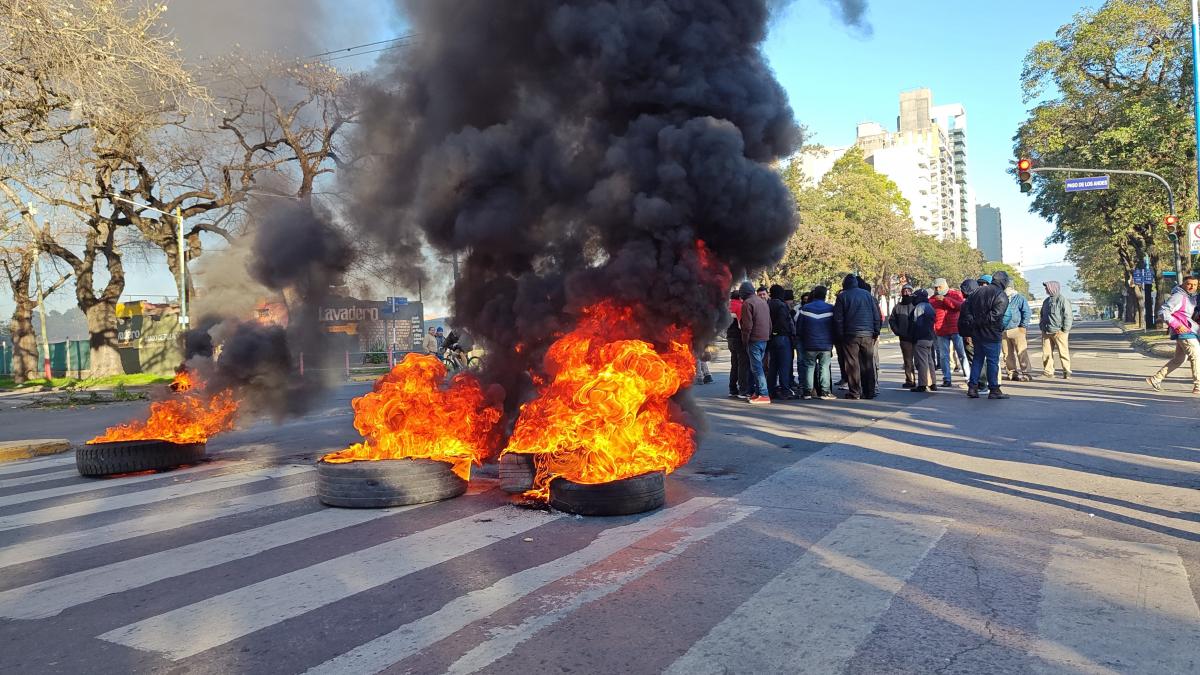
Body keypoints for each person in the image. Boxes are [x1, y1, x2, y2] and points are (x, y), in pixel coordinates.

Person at [1147, 275, 1200, 393]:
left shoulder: (1190, 297)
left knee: (1179, 359)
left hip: (1188, 331)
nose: (1192, 287)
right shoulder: (1179, 296)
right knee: (1196, 356)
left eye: (1195, 285)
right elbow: (1163, 311)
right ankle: (1198, 385)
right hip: (1185, 332)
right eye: (1189, 284)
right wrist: (1177, 325)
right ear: (1183, 284)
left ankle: (1156, 379)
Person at [963, 272, 1011, 399]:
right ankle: (994, 389)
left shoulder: (977, 292)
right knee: (992, 362)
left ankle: (973, 387)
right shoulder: (1001, 295)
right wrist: (995, 327)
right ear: (1003, 282)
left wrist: (974, 324)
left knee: (977, 360)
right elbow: (996, 316)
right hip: (991, 333)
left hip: (977, 333)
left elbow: (967, 310)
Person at [832, 274, 881, 400]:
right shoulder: (867, 295)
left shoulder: (842, 296)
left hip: (850, 335)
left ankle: (855, 392)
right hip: (868, 333)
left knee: (852, 364)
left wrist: (840, 335)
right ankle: (869, 391)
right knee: (868, 363)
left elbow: (838, 318)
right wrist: (876, 331)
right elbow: (876, 315)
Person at [797, 285, 836, 400]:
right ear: (825, 295)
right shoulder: (830, 308)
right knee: (824, 367)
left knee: (809, 367)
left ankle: (807, 392)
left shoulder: (805, 308)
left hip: (809, 343)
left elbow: (799, 327)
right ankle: (825, 392)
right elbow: (835, 325)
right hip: (825, 344)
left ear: (814, 295)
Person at [930, 278, 966, 388]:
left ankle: (968, 375)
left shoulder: (955, 294)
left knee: (961, 353)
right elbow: (931, 314)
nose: (937, 289)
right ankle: (947, 378)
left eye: (939, 287)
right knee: (943, 356)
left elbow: (961, 306)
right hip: (941, 330)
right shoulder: (932, 299)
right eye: (935, 287)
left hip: (955, 329)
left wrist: (945, 299)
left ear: (945, 286)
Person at [739, 281, 772, 404]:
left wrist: (745, 340)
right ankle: (757, 393)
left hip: (754, 339)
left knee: (757, 368)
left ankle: (763, 394)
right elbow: (769, 322)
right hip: (764, 338)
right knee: (758, 367)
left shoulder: (747, 303)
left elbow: (747, 326)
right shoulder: (763, 302)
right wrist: (768, 335)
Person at [766, 285, 796, 399]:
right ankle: (785, 390)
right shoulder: (782, 305)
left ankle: (771, 390)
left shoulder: (767, 304)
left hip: (771, 338)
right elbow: (784, 322)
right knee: (784, 365)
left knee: (773, 365)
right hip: (782, 337)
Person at [1039, 280, 1073, 379]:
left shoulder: (1062, 300)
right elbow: (1042, 315)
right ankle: (1048, 372)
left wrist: (1064, 330)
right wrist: (1042, 326)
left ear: (1053, 288)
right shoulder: (1046, 301)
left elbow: (1068, 316)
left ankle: (1066, 371)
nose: (1046, 289)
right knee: (1046, 353)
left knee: (1063, 353)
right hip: (1046, 331)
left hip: (1059, 332)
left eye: (1047, 287)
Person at [1001, 283, 1033, 382]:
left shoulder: (1019, 298)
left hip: (1017, 329)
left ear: (1011, 288)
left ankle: (1026, 373)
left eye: (1007, 287)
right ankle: (1012, 373)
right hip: (1003, 331)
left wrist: (1023, 326)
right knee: (1007, 354)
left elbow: (1026, 312)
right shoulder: (1001, 298)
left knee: (1021, 352)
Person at [888, 284, 918, 388]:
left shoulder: (916, 305)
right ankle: (910, 380)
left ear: (912, 292)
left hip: (917, 337)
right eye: (904, 291)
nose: (906, 293)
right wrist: (898, 331)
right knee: (908, 361)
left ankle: (925, 381)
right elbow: (892, 320)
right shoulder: (897, 307)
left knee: (920, 361)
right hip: (904, 338)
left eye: (908, 290)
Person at [910, 288, 937, 392]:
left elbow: (916, 324)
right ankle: (933, 383)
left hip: (920, 337)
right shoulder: (930, 306)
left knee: (922, 362)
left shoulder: (919, 307)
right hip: (930, 336)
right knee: (930, 361)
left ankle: (922, 384)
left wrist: (914, 337)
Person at [726, 290, 751, 399]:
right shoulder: (740, 306)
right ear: (740, 297)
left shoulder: (727, 307)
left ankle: (732, 389)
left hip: (730, 338)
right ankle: (743, 390)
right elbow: (742, 325)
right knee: (742, 365)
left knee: (734, 364)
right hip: (739, 338)